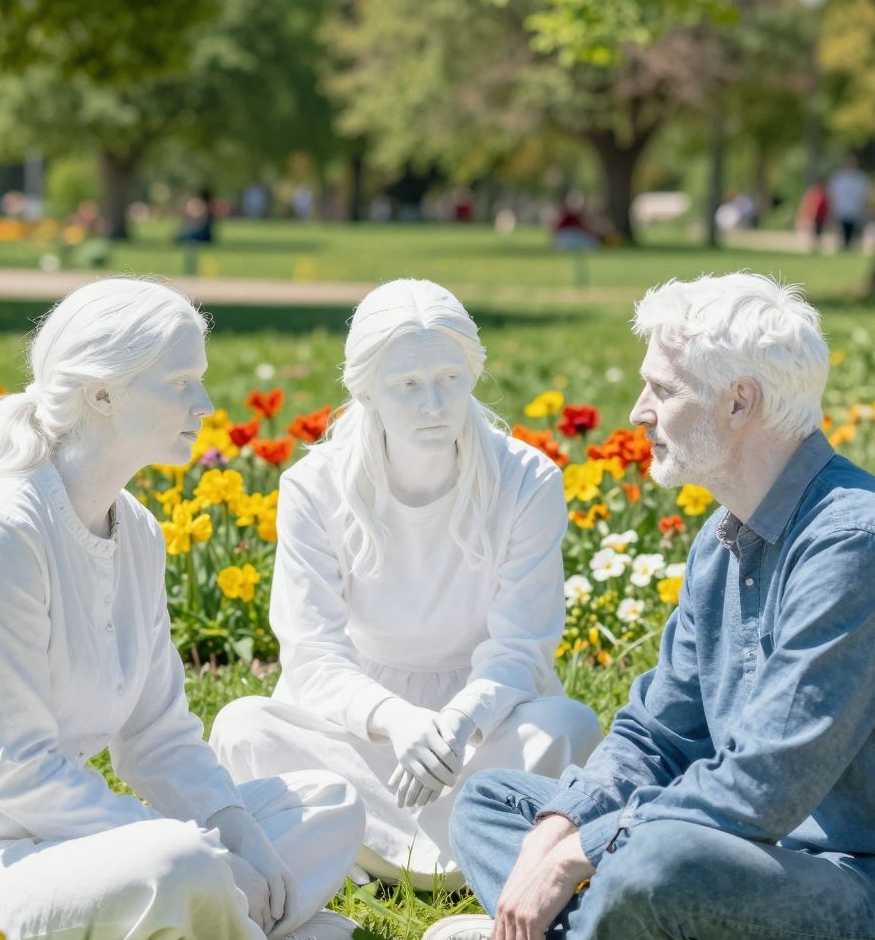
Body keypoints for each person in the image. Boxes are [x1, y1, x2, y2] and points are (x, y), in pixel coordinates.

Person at [419, 271, 875, 940]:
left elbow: (761, 788)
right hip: (763, 863)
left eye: (662, 391)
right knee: (493, 801)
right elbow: (657, 732)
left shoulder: (858, 543)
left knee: (658, 862)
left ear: (739, 401)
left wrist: (585, 852)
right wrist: (561, 831)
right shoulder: (728, 535)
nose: (638, 413)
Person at [0, 279, 363, 940]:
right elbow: (13, 769)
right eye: (180, 382)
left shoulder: (136, 530)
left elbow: (158, 737)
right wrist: (203, 853)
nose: (205, 407)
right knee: (179, 862)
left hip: (65, 847)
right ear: (102, 395)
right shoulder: (3, 528)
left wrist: (239, 834)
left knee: (327, 801)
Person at [210, 279, 601, 885]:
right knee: (243, 727)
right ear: (365, 389)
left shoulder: (527, 480)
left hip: (482, 727)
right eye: (408, 385)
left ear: (473, 372)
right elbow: (312, 654)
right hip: (359, 726)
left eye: (450, 378)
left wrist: (457, 722)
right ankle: (470, 850)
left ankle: (349, 846)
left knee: (569, 727)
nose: (433, 405)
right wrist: (395, 719)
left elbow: (521, 647)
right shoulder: (315, 487)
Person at [827, 154, 869, 250]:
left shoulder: (861, 178)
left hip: (854, 210)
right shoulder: (838, 177)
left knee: (852, 231)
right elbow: (832, 193)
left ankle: (848, 246)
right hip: (841, 209)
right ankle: (844, 246)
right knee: (842, 230)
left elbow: (863, 195)